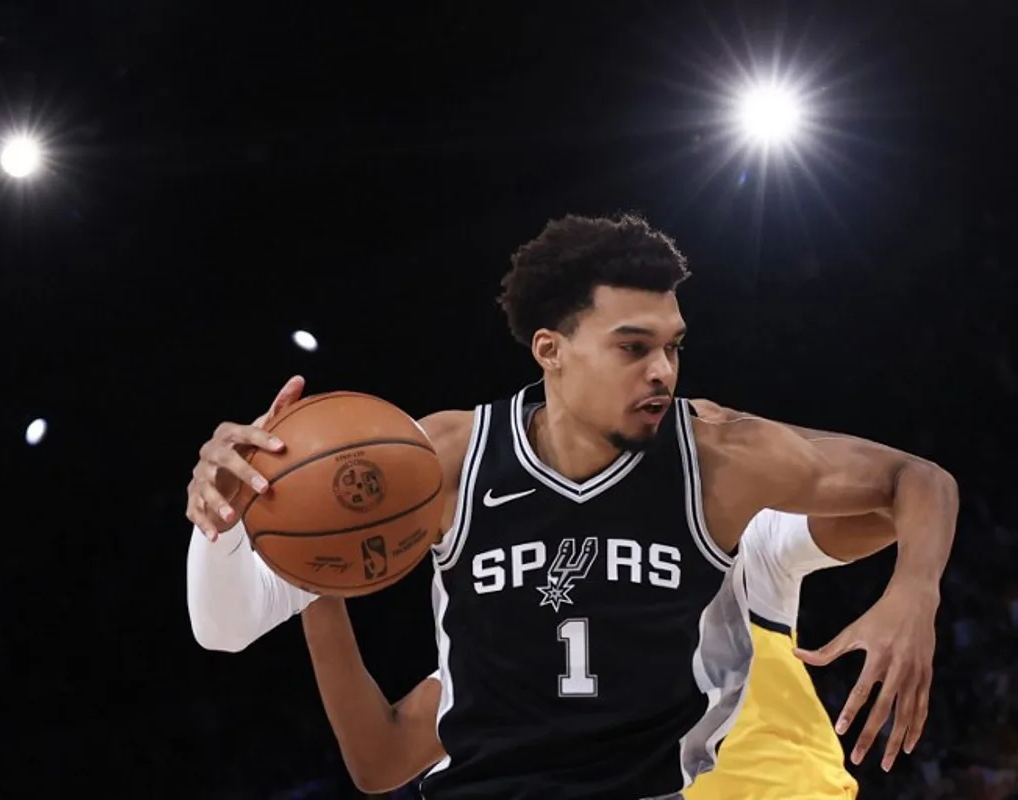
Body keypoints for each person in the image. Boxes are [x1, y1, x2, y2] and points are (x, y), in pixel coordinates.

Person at [186, 214, 958, 798]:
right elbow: (226, 630)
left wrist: (915, 589)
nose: (663, 370)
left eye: (673, 345)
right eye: (632, 347)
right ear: (550, 349)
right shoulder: (446, 457)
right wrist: (221, 516)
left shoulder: (718, 458)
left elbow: (916, 478)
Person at [297, 504, 892, 798]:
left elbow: (882, 503)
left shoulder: (744, 535)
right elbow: (381, 756)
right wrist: (313, 581)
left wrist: (915, 577)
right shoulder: (517, 659)